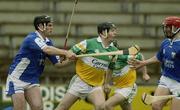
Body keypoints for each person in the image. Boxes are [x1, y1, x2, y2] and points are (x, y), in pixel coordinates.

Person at [5, 15, 76, 110]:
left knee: (38, 107)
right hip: (17, 79)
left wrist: (72, 59)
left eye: (52, 25)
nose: (52, 28)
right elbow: (47, 50)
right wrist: (66, 52)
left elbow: (58, 64)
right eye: (49, 25)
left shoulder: (48, 42)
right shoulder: (32, 38)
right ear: (40, 26)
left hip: (32, 79)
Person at [55, 22, 119, 110]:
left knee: (102, 107)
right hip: (80, 82)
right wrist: (65, 56)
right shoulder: (88, 43)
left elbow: (111, 67)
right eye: (112, 31)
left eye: (115, 30)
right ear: (103, 33)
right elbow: (70, 53)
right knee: (62, 108)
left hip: (95, 86)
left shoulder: (114, 50)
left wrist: (107, 83)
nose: (115, 33)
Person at [128, 16, 180, 110]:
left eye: (168, 27)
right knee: (155, 106)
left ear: (177, 28)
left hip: (178, 82)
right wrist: (143, 63)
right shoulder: (165, 42)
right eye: (165, 27)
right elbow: (159, 57)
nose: (166, 29)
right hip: (166, 78)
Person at [103, 41, 150, 110]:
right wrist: (106, 84)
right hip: (119, 88)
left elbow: (140, 56)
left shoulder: (124, 56)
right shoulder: (106, 60)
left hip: (128, 87)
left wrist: (145, 74)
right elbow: (109, 71)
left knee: (107, 105)